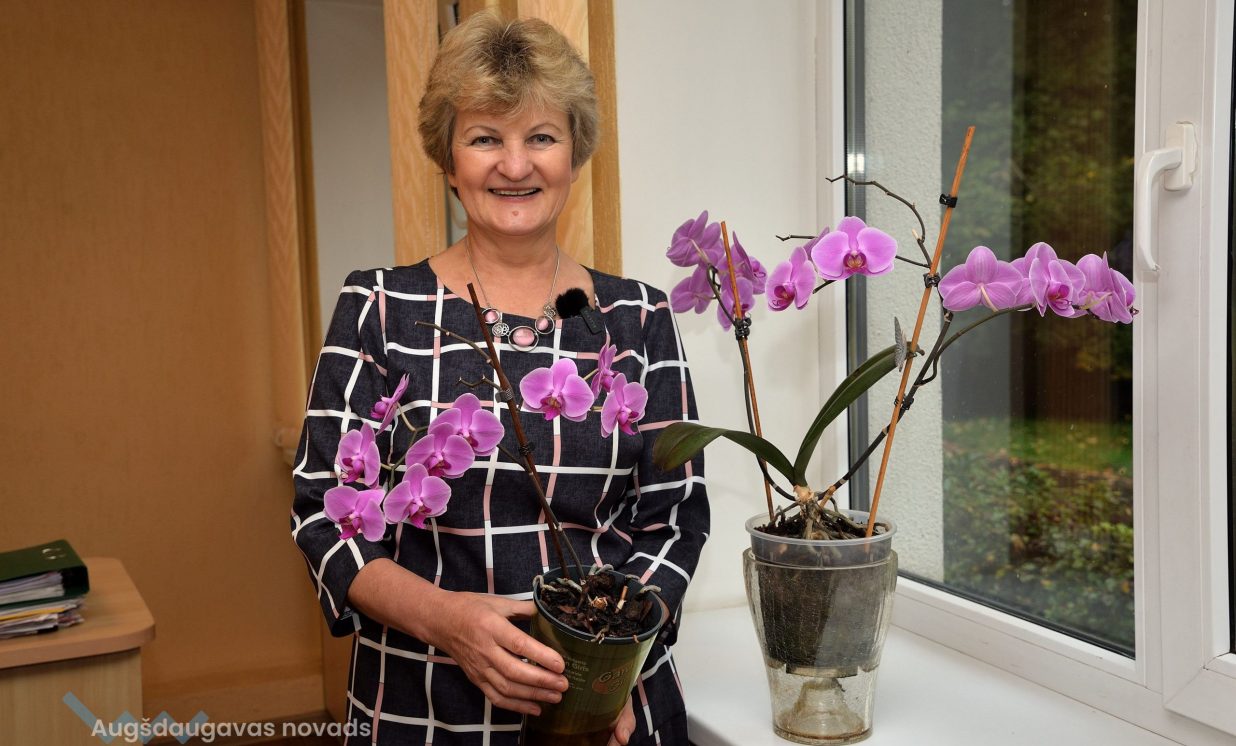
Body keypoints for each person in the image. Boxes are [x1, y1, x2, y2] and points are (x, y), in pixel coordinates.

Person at [291, 11, 709, 745]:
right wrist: (448, 621)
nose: (515, 167)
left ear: (575, 153)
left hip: (608, 712)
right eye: (486, 138)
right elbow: (324, 517)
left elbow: (674, 520)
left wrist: (608, 669)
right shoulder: (379, 308)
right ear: (449, 161)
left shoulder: (638, 318)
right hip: (423, 702)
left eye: (541, 137)